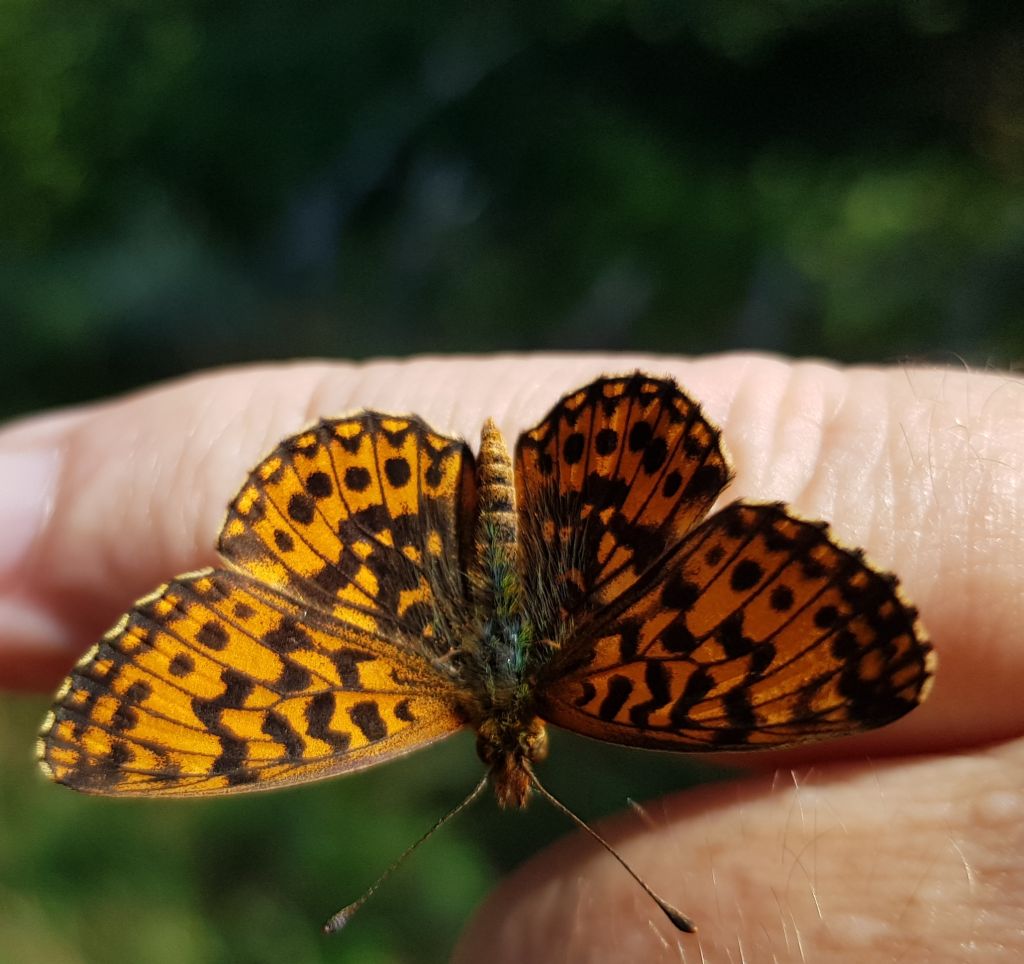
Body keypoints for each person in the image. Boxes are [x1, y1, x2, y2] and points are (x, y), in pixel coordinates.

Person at [3, 354, 1021, 961]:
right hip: (588, 518)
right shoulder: (602, 695)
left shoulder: (417, 708)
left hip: (386, 556)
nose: (514, 764)